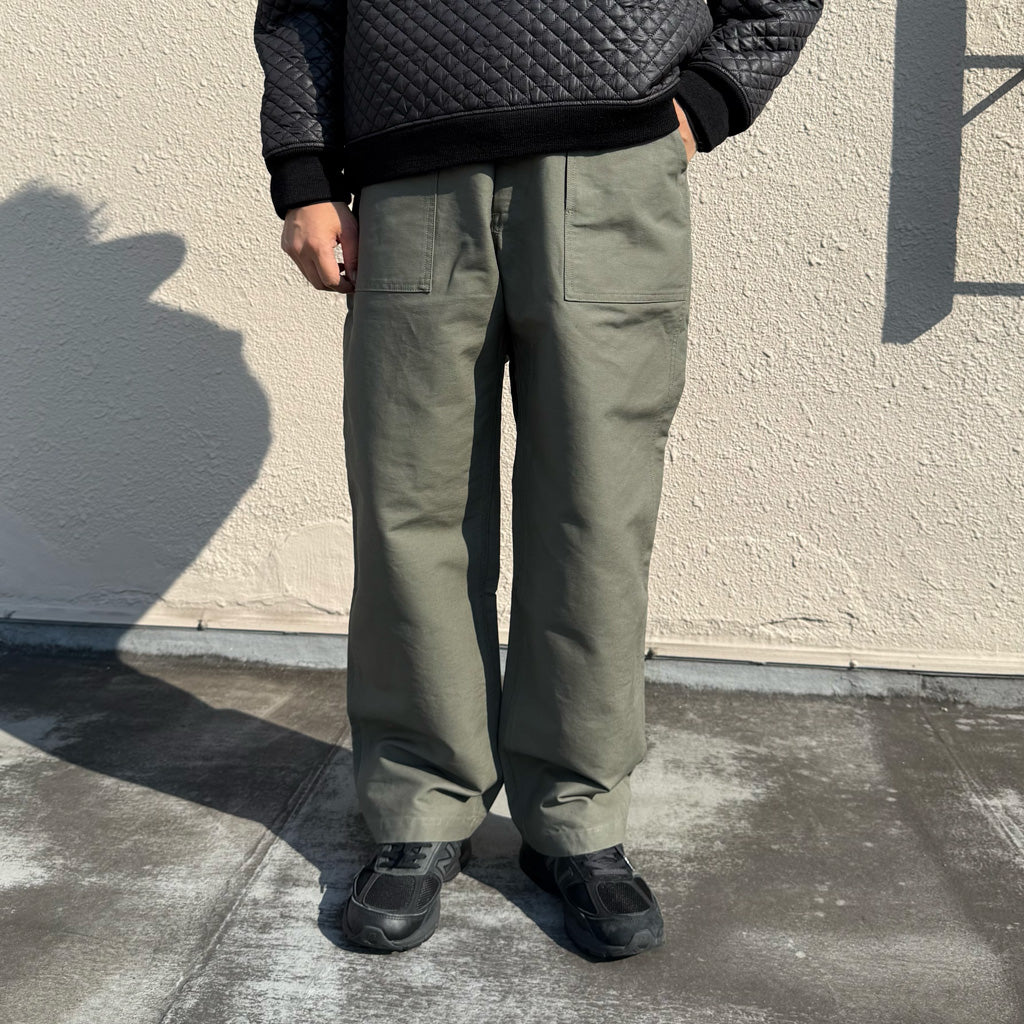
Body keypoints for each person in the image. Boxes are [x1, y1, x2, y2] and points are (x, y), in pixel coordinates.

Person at [253, 0, 823, 960]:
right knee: (411, 508)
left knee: (595, 508)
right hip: (410, 175)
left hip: (611, 165)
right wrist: (304, 173)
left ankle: (578, 817)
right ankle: (422, 809)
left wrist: (706, 100)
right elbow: (300, 8)